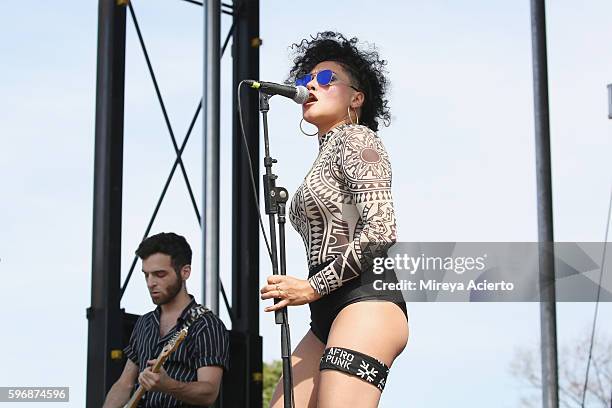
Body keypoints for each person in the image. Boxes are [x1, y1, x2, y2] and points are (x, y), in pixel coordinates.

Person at [260, 31, 409, 408]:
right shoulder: (324, 153)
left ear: (356, 98)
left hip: (365, 298)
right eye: (306, 80)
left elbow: (381, 229)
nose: (311, 84)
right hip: (325, 310)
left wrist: (311, 287)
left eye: (326, 79)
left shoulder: (359, 139)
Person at [103, 232, 230, 408]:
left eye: (159, 274)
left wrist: (167, 385)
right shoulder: (144, 323)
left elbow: (209, 392)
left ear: (185, 272)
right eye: (146, 275)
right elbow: (125, 384)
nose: (150, 282)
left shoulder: (206, 325)